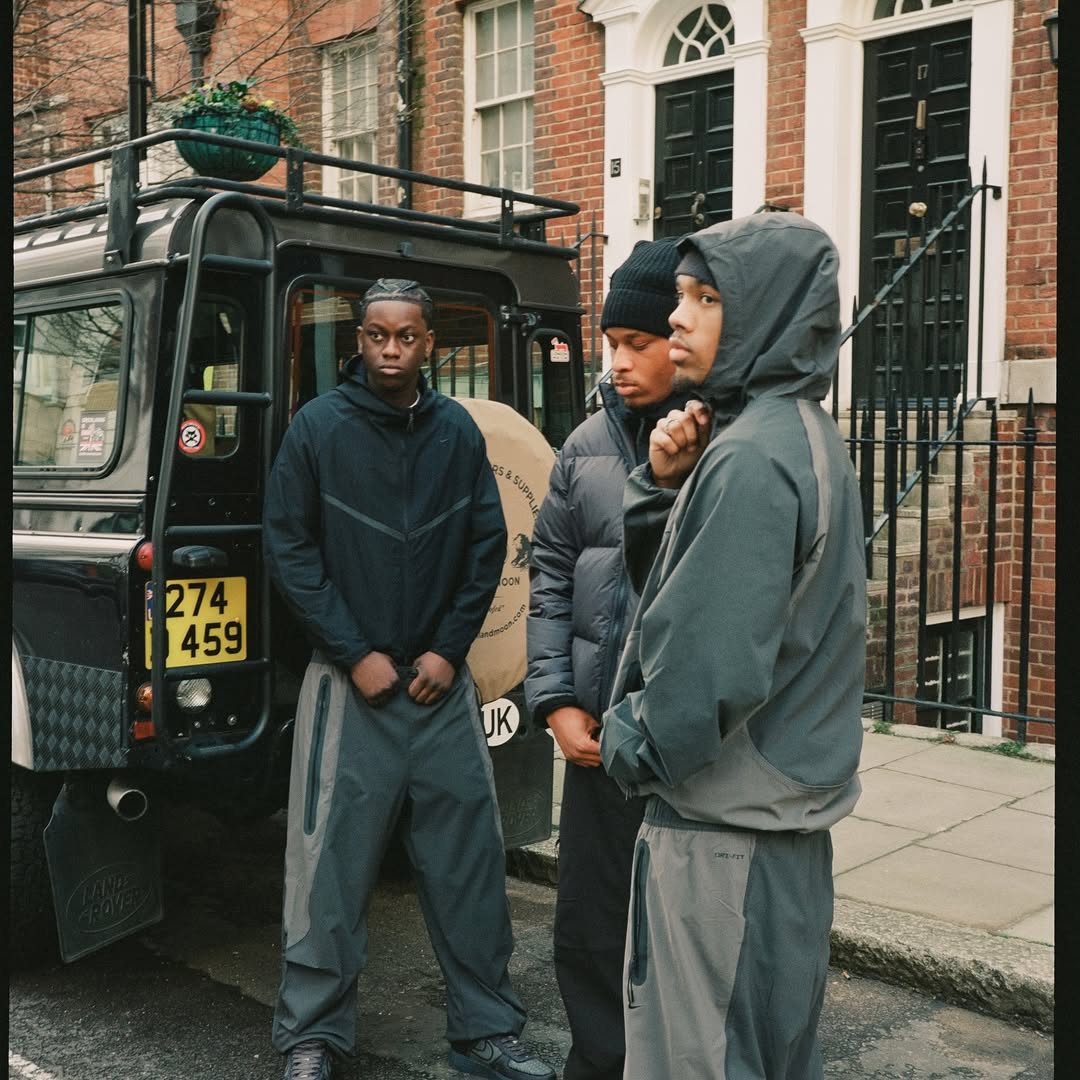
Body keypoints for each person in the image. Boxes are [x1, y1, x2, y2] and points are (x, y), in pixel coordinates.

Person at [264, 278, 556, 1080]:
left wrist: (447, 651)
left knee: (468, 863)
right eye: (377, 335)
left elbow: (485, 545)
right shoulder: (317, 429)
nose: (392, 349)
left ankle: (486, 1035)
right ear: (359, 340)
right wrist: (354, 651)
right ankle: (313, 1038)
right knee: (329, 872)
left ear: (430, 345)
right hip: (347, 685)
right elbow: (290, 550)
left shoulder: (457, 432)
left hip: (439, 689)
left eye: (408, 336)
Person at [599, 214, 867, 1080]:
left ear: (767, 319)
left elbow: (705, 669)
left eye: (706, 300)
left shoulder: (751, 458)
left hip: (722, 840)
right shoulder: (802, 438)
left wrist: (625, 746)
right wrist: (658, 489)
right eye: (682, 296)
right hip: (776, 835)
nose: (678, 318)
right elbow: (699, 591)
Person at [525, 239, 690, 1080]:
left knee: (677, 939)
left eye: (638, 343)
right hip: (593, 740)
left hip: (680, 745)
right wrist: (554, 701)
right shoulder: (584, 444)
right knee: (590, 926)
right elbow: (549, 577)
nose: (618, 362)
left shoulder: (720, 443)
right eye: (610, 343)